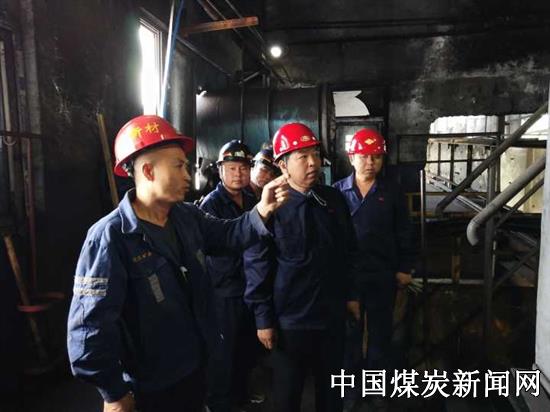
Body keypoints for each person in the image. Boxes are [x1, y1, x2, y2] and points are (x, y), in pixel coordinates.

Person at [67, 115, 288, 412]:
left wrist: (262, 209)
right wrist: (114, 393)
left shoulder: (187, 217)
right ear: (148, 171)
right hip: (149, 386)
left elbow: (229, 235)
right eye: (179, 166)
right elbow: (89, 332)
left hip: (196, 369)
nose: (187, 175)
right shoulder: (110, 238)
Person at [244, 122, 361, 412]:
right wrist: (263, 319)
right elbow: (257, 263)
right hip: (290, 322)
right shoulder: (271, 206)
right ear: (283, 165)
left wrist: (351, 296)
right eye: (303, 157)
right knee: (288, 394)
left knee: (331, 392)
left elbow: (349, 251)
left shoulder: (333, 199)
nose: (312, 163)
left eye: (315, 154)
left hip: (331, 316)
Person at [333, 128, 415, 410]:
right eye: (364, 156)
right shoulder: (337, 192)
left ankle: (375, 388)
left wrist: (404, 267)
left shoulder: (391, 192)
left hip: (383, 274)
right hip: (348, 277)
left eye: (376, 157)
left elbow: (404, 232)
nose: (370, 162)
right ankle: (349, 391)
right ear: (351, 157)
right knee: (349, 336)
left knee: (381, 334)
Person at [199, 140, 261, 412]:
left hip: (250, 286)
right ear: (221, 171)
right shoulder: (211, 204)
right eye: (232, 168)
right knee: (223, 353)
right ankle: (219, 403)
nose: (238, 173)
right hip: (224, 291)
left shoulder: (251, 199)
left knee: (246, 349)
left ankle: (241, 397)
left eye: (244, 168)